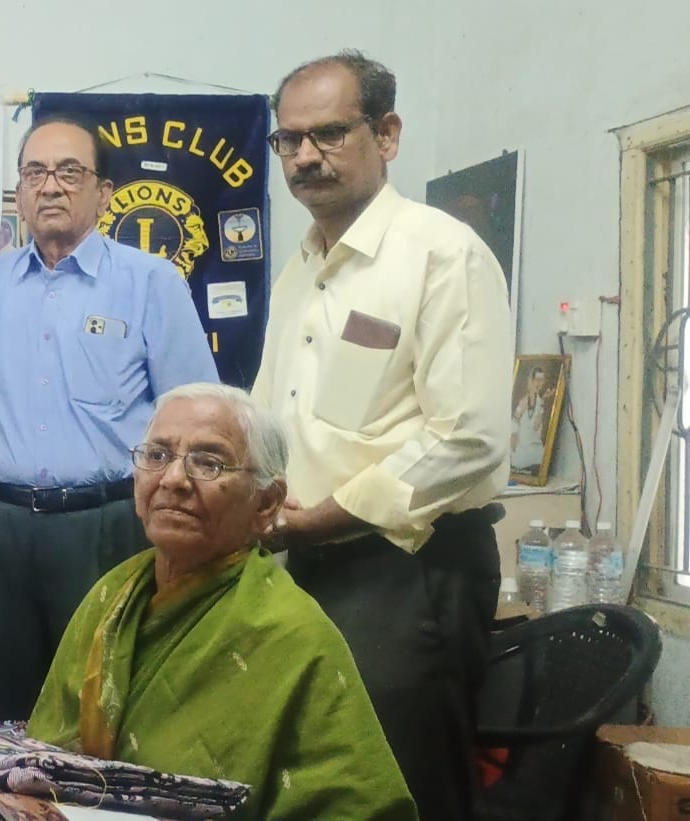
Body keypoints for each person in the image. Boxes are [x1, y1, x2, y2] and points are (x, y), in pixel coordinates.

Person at [251, 51, 512, 820]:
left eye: (329, 133)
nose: (305, 156)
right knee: (323, 780)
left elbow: (467, 439)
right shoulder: (302, 267)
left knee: (401, 787)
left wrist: (313, 521)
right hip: (304, 561)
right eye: (289, 140)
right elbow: (276, 416)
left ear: (387, 134)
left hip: (408, 572)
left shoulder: (442, 254)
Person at [28, 384, 417, 821]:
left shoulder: (292, 634)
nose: (173, 479)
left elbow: (359, 806)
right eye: (157, 456)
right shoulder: (110, 597)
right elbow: (46, 752)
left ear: (267, 503)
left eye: (208, 462)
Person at [0, 113, 219, 721]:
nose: (50, 186)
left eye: (70, 172)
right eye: (35, 172)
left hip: (108, 529)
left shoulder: (151, 282)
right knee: (0, 710)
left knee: (103, 708)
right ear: (19, 189)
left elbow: (196, 415)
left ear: (104, 193)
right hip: (1, 535)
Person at [510, 365, 551, 470]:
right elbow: (514, 423)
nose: (539, 383)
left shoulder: (540, 402)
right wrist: (513, 443)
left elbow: (537, 426)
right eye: (537, 380)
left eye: (542, 380)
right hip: (521, 449)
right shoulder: (523, 402)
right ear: (531, 381)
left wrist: (542, 403)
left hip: (535, 448)